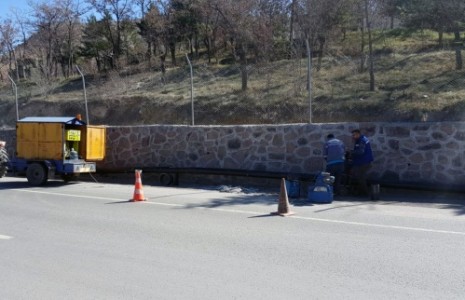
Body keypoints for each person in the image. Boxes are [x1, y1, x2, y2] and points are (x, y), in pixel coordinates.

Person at [350, 129, 374, 196]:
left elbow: (361, 151)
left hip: (364, 162)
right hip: (362, 161)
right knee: (359, 176)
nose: (353, 136)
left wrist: (352, 152)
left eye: (354, 135)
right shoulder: (360, 140)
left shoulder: (362, 140)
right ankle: (361, 192)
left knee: (360, 177)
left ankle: (365, 193)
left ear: (358, 134)